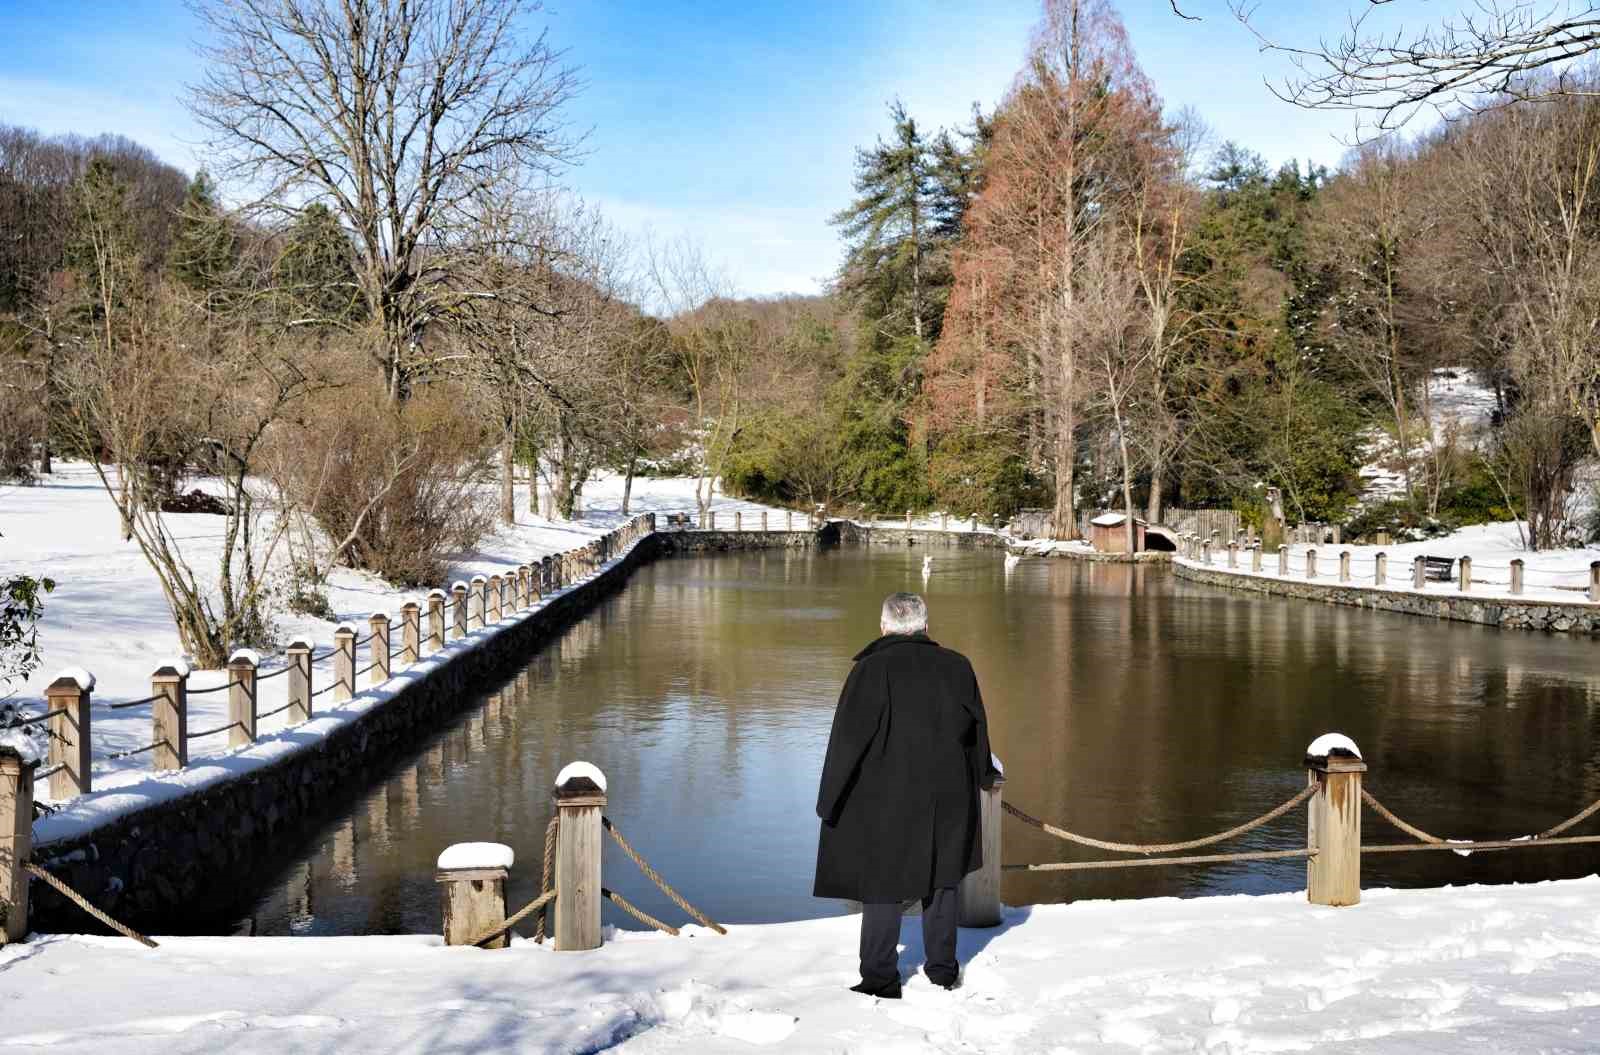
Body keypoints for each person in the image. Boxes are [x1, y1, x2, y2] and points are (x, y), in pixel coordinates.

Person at [814, 591, 1000, 999]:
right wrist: (985, 775)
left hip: (886, 796)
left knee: (882, 882)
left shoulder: (870, 670)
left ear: (883, 627)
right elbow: (977, 730)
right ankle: (942, 971)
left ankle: (880, 978)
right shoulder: (957, 666)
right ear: (926, 626)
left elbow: (848, 740)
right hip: (948, 793)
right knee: (943, 879)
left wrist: (829, 799)